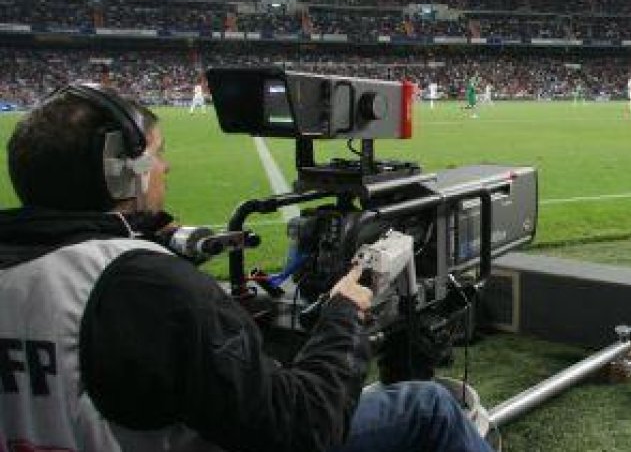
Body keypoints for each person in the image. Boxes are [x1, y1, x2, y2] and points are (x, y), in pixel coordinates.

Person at [0, 85, 492, 452]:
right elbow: (303, 428)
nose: (165, 168)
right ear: (118, 168)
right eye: (156, 154)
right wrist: (345, 311)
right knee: (428, 405)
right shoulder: (146, 284)